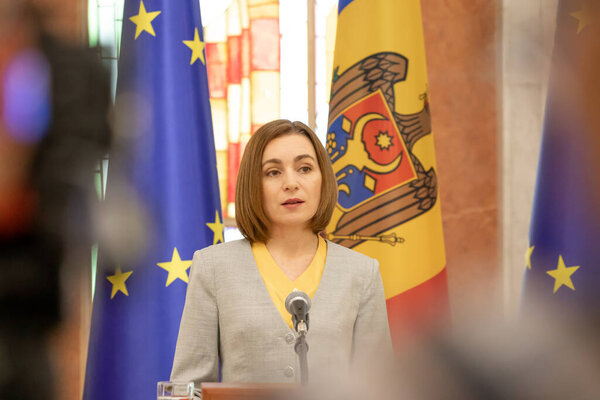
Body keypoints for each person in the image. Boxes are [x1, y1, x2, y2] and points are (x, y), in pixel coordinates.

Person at [170, 120, 391, 395]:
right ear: (254, 185)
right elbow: (187, 388)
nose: (291, 183)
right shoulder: (213, 267)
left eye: (305, 169)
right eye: (273, 172)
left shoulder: (362, 272)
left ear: (323, 179)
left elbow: (379, 388)